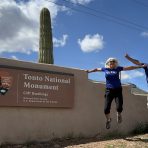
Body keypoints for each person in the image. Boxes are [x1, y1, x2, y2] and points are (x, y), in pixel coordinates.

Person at [86, 57, 144, 129]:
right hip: (109, 90)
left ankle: (119, 115)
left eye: (113, 62)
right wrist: (89, 71)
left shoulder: (117, 68)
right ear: (108, 63)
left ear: (115, 63)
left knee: (119, 107)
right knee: (106, 109)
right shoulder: (105, 69)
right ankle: (108, 120)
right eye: (110, 62)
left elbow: (128, 68)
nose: (112, 63)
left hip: (118, 90)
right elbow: (96, 69)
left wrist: (138, 66)